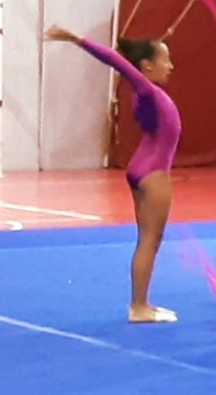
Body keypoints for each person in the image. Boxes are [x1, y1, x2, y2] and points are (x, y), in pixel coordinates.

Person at [47, 27, 180, 324]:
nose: (171, 66)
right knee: (150, 241)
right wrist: (75, 39)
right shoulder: (147, 91)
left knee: (145, 240)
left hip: (141, 166)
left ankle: (141, 303)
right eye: (165, 60)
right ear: (147, 66)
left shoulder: (148, 95)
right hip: (154, 172)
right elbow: (116, 60)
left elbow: (132, 59)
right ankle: (139, 307)